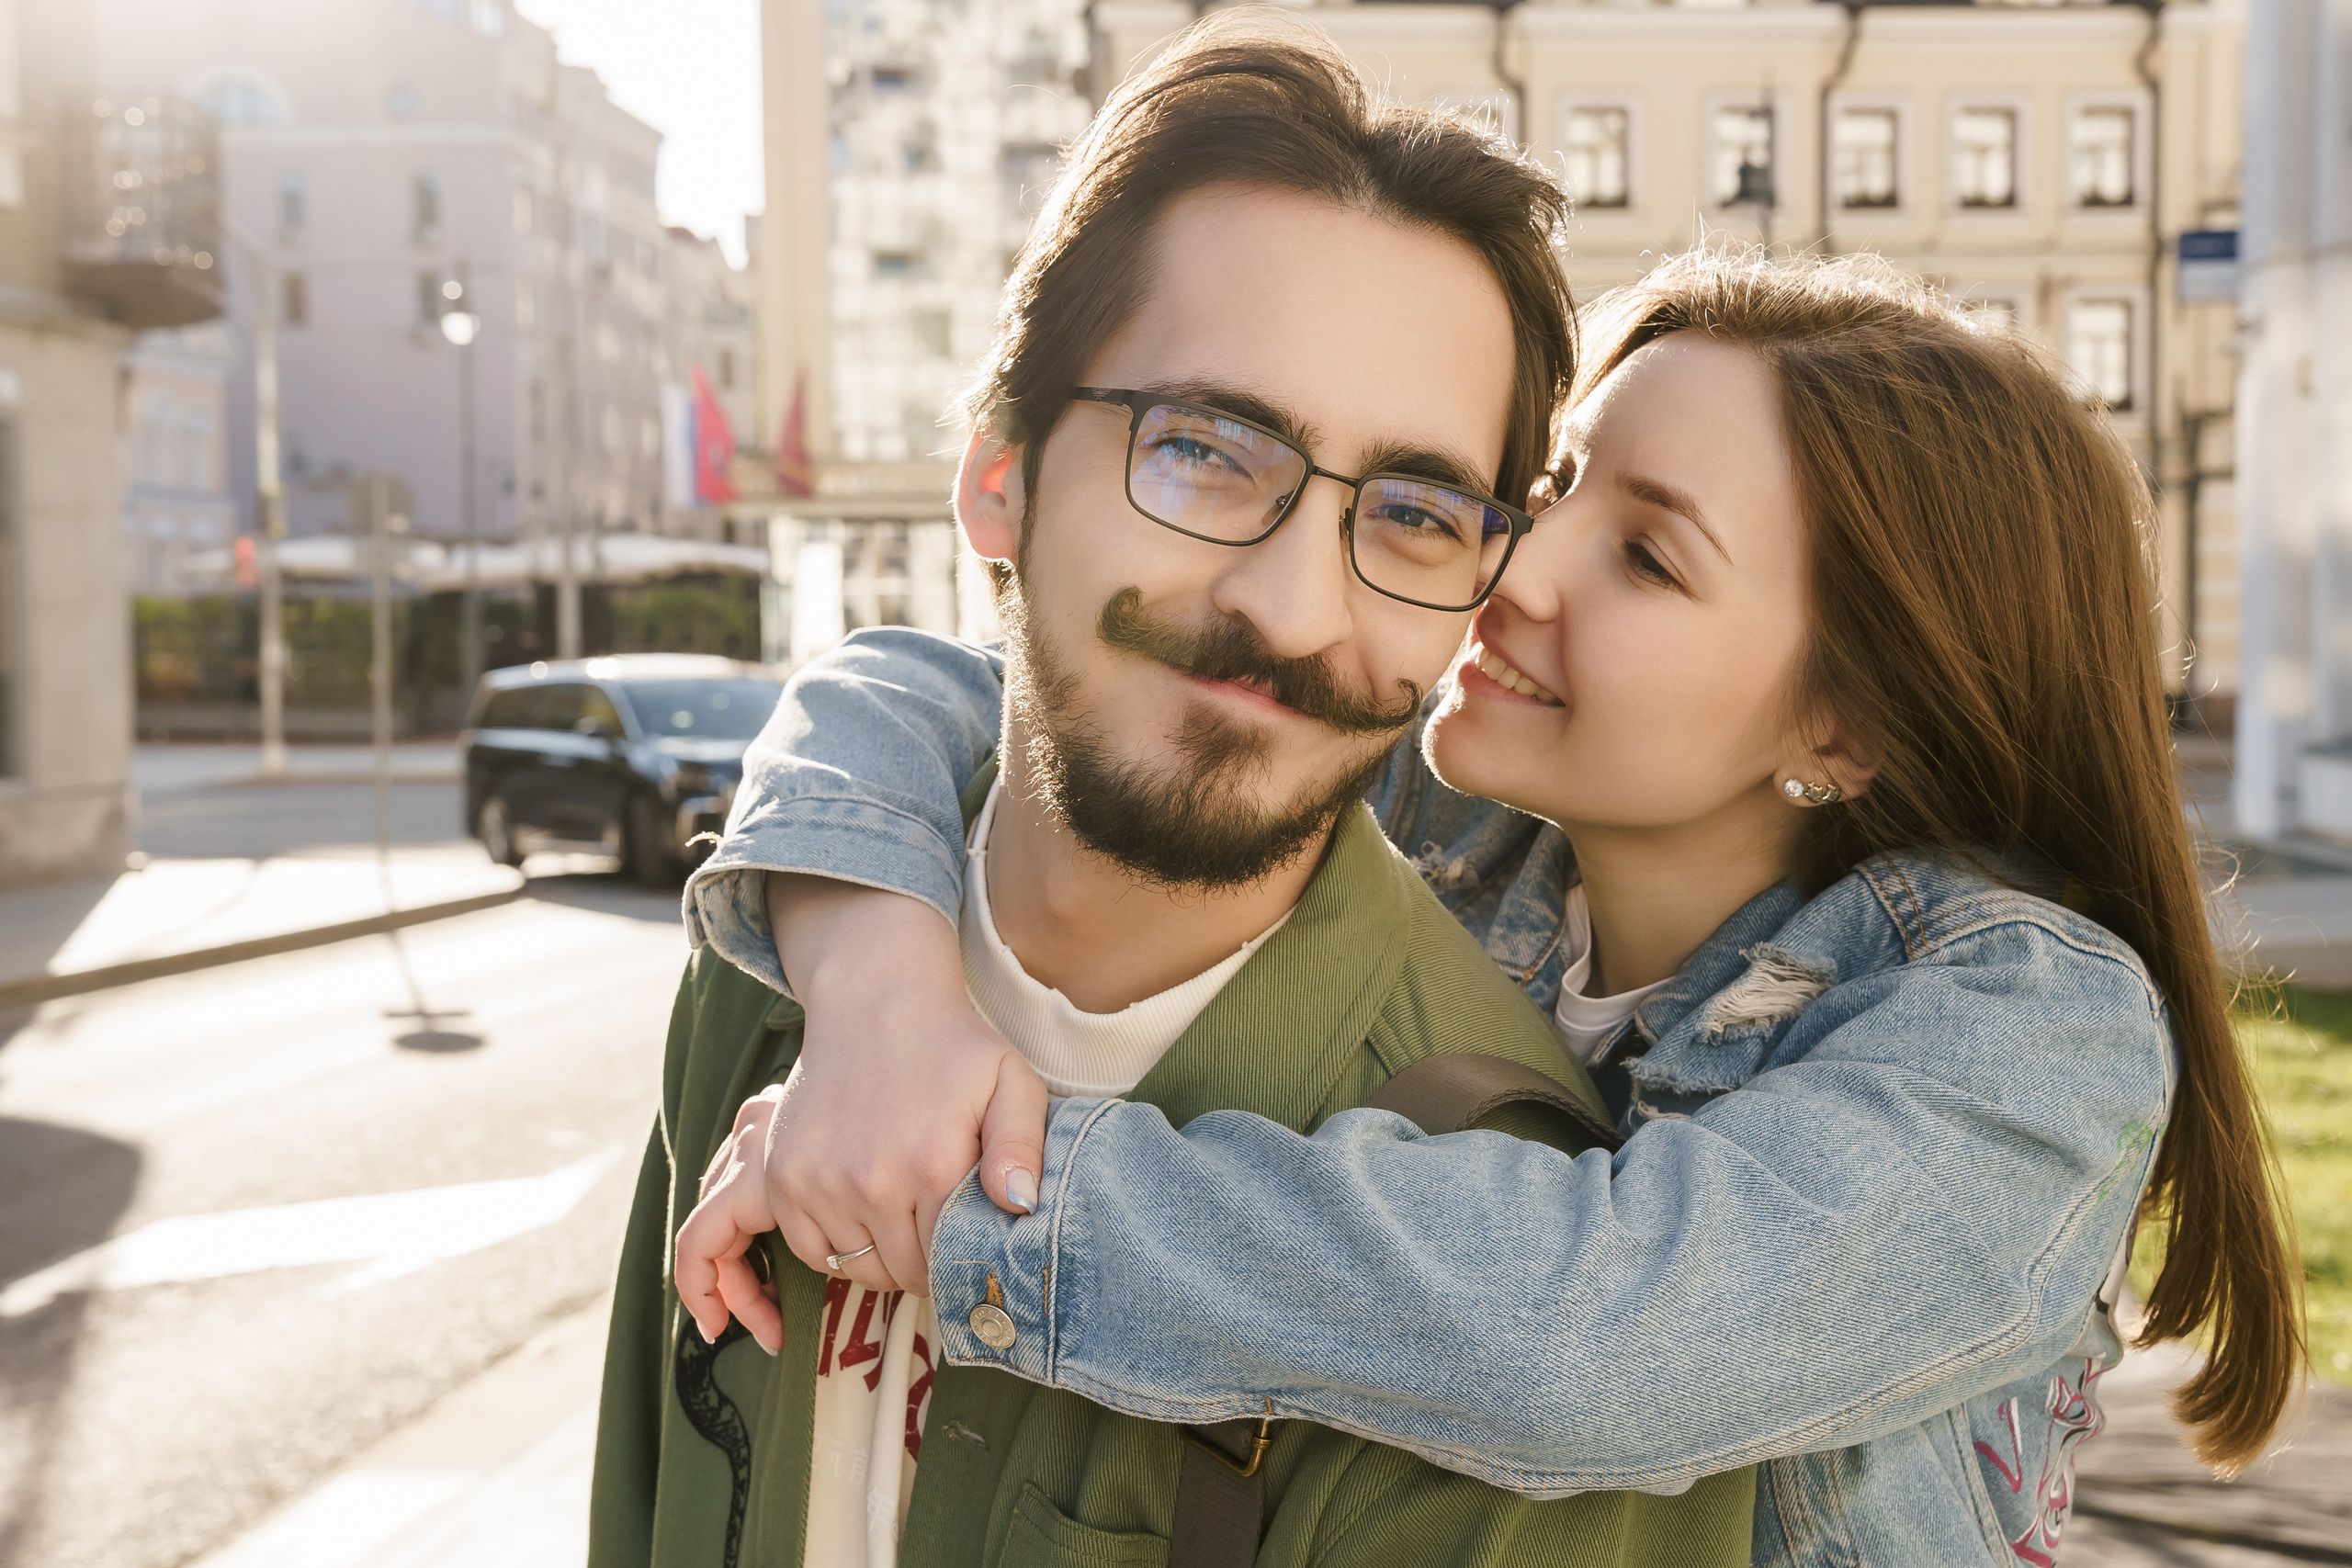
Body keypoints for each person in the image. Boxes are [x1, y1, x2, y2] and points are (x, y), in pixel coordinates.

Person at [679, 247, 2305, 1568]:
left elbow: (1593, 1340)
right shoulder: (1484, 826)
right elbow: (954, 688)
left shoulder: (2030, 1028)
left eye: (1647, 557)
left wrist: (962, 1207)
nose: (1515, 565)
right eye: (1559, 483)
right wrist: (881, 989)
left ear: (1848, 725)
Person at [588, 16, 1756, 1568]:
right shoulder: (781, 962)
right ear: (999, 470)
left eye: (1410, 513)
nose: (1290, 602)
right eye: (1205, 448)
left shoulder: (1485, 1225)